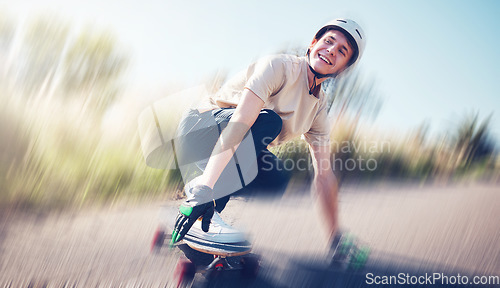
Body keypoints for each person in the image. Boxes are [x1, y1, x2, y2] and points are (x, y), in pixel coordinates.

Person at [171, 18, 367, 262]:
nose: (331, 51)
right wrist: (205, 190)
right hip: (199, 130)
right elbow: (241, 122)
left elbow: (324, 176)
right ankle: (203, 210)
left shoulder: (318, 108)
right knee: (269, 122)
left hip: (228, 146)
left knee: (275, 179)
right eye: (328, 42)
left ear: (342, 69)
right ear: (313, 43)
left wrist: (335, 237)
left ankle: (199, 198)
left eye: (341, 51)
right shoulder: (279, 66)